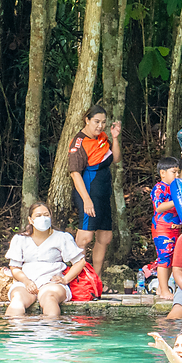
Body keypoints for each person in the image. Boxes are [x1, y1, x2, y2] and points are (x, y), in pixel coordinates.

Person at [68, 104, 122, 284]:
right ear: (87, 120)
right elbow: (75, 173)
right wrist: (86, 200)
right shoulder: (78, 142)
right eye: (96, 122)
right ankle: (79, 281)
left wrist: (114, 138)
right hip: (88, 192)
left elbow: (114, 159)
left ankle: (95, 281)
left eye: (103, 122)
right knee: (85, 237)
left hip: (104, 192)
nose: (100, 126)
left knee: (105, 237)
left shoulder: (102, 137)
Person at [4, 202, 86, 318]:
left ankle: (51, 332)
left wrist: (65, 279)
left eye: (46, 215)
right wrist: (27, 282)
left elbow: (80, 262)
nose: (43, 218)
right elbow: (15, 267)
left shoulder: (62, 237)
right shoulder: (20, 239)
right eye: (38, 216)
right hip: (25, 283)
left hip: (52, 282)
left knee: (49, 298)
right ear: (30, 220)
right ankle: (17, 333)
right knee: (17, 299)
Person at [150, 156, 182, 300]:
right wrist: (176, 201)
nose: (176, 175)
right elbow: (158, 207)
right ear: (162, 173)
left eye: (178, 172)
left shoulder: (176, 188)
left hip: (175, 228)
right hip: (162, 229)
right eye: (173, 172)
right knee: (164, 258)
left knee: (171, 258)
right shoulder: (159, 188)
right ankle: (164, 290)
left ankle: (160, 288)